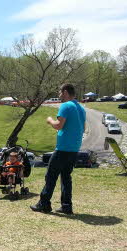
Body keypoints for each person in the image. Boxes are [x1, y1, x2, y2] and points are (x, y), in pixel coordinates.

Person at [31, 83, 86, 215]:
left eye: (60, 93)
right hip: (74, 149)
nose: (59, 95)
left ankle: (44, 204)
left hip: (63, 149)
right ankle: (67, 206)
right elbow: (83, 128)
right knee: (66, 177)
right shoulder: (81, 108)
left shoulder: (66, 106)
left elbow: (58, 126)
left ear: (66, 92)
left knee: (51, 176)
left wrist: (50, 120)